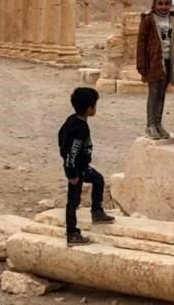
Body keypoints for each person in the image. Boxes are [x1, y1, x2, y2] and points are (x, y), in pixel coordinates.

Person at [58, 87, 115, 246]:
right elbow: (71, 152)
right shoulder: (79, 128)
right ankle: (72, 233)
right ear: (89, 108)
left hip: (82, 166)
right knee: (73, 201)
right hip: (76, 170)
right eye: (95, 105)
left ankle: (97, 212)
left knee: (98, 180)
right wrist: (72, 173)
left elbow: (61, 138)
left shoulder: (72, 120)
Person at [136, 0, 174, 139]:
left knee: (162, 94)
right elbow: (141, 43)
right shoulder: (148, 20)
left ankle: (159, 123)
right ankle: (150, 125)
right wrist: (141, 64)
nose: (163, 6)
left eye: (167, 3)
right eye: (160, 3)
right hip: (154, 62)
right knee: (153, 94)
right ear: (154, 4)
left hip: (168, 61)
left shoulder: (173, 19)